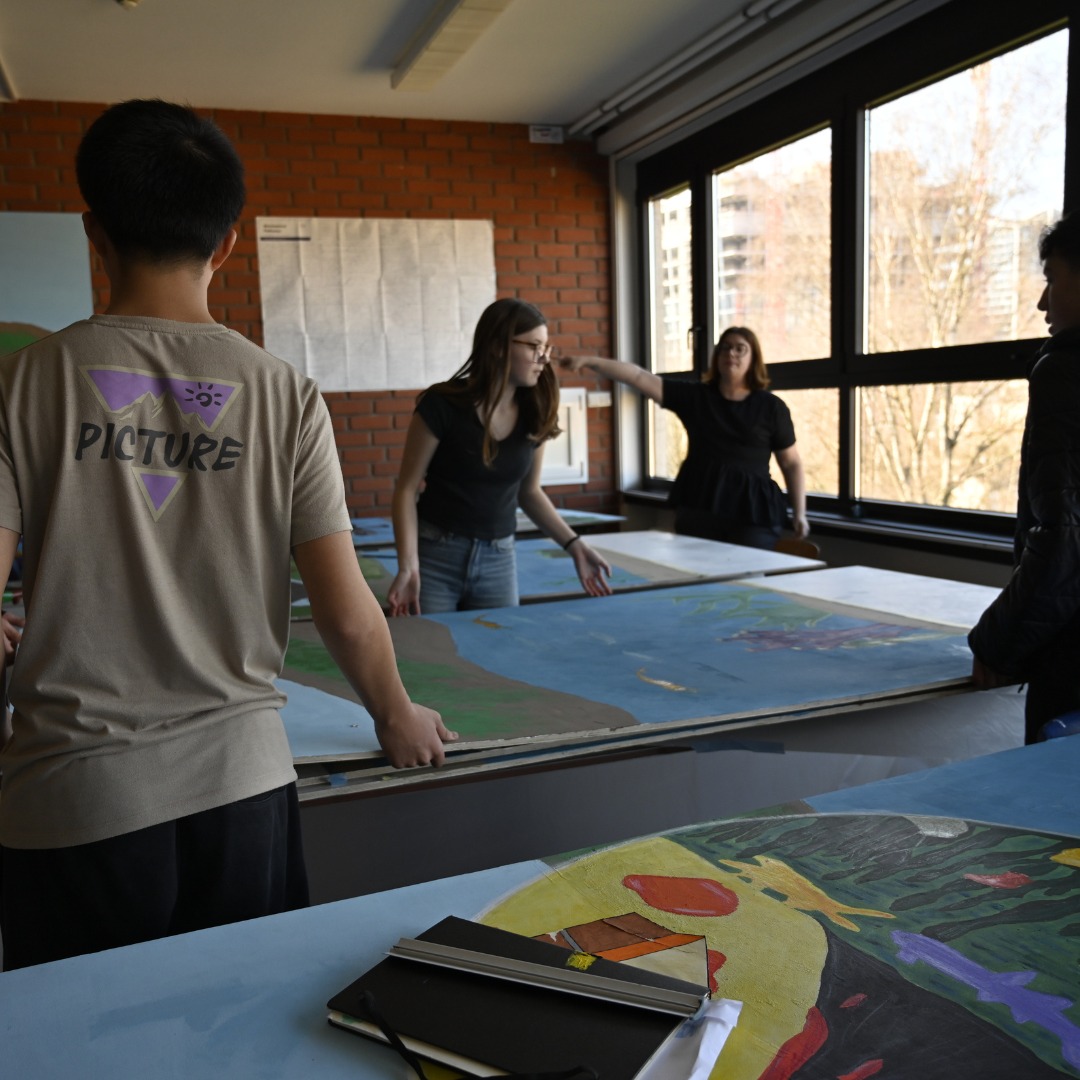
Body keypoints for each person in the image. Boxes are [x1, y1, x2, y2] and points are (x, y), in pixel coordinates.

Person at [0, 99, 455, 970]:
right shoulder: (286, 395)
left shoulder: (23, 385)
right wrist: (396, 714)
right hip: (244, 795)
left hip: (73, 800)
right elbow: (345, 610)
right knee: (241, 1028)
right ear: (228, 243)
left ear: (94, 232)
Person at [387, 298, 612, 615]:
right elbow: (406, 489)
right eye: (534, 346)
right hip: (435, 555)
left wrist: (574, 544)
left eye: (546, 348)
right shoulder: (441, 404)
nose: (544, 358)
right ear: (497, 347)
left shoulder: (535, 410)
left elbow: (529, 492)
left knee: (498, 641)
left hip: (499, 559)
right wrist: (408, 566)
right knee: (436, 643)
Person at [969, 212, 1080, 744]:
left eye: (1052, 279)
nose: (1042, 303)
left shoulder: (1064, 370)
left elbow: (1065, 536)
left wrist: (995, 642)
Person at [560, 327, 809, 549]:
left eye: (740, 349)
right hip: (700, 502)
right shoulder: (697, 397)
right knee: (700, 574)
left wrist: (800, 513)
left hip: (752, 511)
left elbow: (791, 463)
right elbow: (638, 377)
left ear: (753, 358)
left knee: (750, 576)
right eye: (725, 347)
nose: (731, 353)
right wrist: (589, 361)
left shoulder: (772, 407)